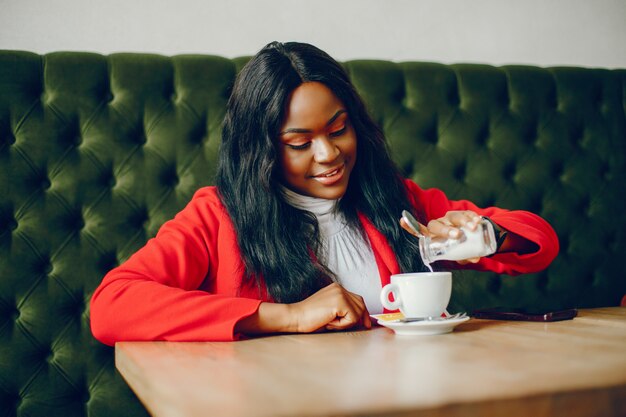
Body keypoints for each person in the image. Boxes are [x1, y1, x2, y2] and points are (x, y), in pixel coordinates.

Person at [89, 41, 559, 345]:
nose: (328, 154)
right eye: (299, 143)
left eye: (339, 129)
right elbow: (112, 306)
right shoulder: (218, 216)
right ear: (261, 150)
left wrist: (486, 236)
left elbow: (539, 242)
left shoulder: (394, 203)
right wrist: (287, 316)